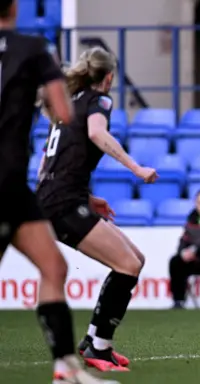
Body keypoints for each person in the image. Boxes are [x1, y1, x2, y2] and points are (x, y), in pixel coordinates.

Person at [0, 1, 118, 383]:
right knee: (53, 269)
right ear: (15, 7)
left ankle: (65, 367)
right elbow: (65, 114)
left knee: (54, 266)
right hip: (7, 179)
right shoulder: (34, 48)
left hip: (20, 189)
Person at [36, 46, 158, 372]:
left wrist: (87, 198)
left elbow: (46, 168)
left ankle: (95, 340)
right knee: (128, 265)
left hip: (58, 198)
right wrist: (136, 168)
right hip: (62, 203)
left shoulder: (65, 106)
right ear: (109, 77)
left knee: (135, 261)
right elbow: (96, 133)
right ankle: (98, 347)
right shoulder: (98, 100)